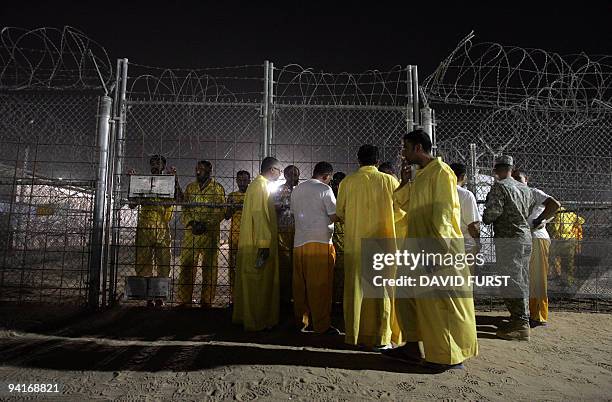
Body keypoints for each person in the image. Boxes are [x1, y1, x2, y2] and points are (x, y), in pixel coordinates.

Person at [386, 130, 478, 371]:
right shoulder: (422, 175)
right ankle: (412, 346)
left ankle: (449, 356)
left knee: (440, 303)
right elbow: (403, 204)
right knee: (407, 296)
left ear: (418, 148)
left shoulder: (442, 173)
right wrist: (405, 181)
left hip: (437, 249)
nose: (402, 153)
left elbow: (445, 216)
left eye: (405, 148)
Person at [336, 145, 401, 348]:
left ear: (358, 160)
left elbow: (340, 213)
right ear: (377, 161)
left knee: (356, 291)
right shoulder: (389, 181)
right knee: (380, 292)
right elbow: (400, 211)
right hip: (382, 244)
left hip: (355, 244)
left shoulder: (347, 182)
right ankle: (381, 338)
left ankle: (354, 335)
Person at [482, 155, 536, 340]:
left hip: (508, 239)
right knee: (522, 279)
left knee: (512, 280)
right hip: (524, 237)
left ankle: (521, 324)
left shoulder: (500, 187)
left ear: (497, 170)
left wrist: (487, 207)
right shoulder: (525, 188)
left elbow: (491, 215)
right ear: (512, 168)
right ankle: (520, 319)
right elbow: (527, 211)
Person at [233, 157, 283, 331]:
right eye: (279, 170)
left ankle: (249, 318)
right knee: (259, 285)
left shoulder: (256, 185)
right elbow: (260, 215)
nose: (280, 174)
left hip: (253, 242)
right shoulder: (261, 187)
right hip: (259, 245)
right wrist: (264, 245)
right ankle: (258, 322)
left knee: (252, 284)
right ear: (272, 170)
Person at [290, 161, 340, 335]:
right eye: (330, 178)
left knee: (300, 286)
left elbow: (295, 212)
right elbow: (334, 216)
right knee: (320, 287)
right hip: (320, 243)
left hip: (299, 244)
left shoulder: (297, 190)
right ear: (326, 176)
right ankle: (321, 325)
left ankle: (300, 322)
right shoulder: (324, 190)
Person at [127, 155, 182, 308]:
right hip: (144, 225)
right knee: (143, 260)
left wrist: (175, 179)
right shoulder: (143, 182)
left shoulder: (169, 182)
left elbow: (180, 199)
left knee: (163, 261)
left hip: (162, 225)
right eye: (153, 163)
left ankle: (160, 296)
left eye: (159, 163)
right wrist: (132, 182)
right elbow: (131, 204)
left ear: (164, 166)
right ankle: (147, 297)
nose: (155, 165)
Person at [512, 169, 560, 327]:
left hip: (536, 238)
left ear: (527, 179)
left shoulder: (534, 192)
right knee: (523, 278)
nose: (516, 182)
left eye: (519, 178)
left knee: (537, 278)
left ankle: (539, 315)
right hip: (521, 241)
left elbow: (554, 205)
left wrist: (540, 219)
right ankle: (527, 312)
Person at [178, 160, 226, 308]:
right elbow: (184, 208)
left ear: (209, 171)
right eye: (197, 169)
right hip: (191, 233)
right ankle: (184, 300)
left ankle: (206, 301)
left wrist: (206, 224)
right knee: (186, 266)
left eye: (202, 170)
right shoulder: (190, 188)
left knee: (209, 267)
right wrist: (191, 223)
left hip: (209, 234)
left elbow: (221, 210)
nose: (198, 172)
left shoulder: (217, 189)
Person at [274, 165, 300, 307]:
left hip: (299, 230)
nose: (294, 177)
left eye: (296, 174)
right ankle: (284, 297)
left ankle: (297, 296)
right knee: (284, 264)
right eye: (290, 174)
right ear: (285, 176)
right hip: (283, 230)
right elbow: (273, 207)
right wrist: (282, 205)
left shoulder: (301, 190)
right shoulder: (279, 189)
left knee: (297, 264)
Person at [224, 170, 251, 302]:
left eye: (245, 180)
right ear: (236, 181)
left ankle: (247, 295)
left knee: (248, 265)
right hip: (235, 235)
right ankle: (234, 296)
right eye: (240, 180)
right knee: (234, 266)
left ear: (249, 181)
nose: (242, 182)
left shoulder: (252, 195)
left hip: (249, 234)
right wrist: (232, 207)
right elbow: (227, 216)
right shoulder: (232, 195)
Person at [449, 163, 481, 255]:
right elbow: (473, 225)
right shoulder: (466, 195)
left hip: (446, 244)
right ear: (462, 176)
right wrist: (478, 243)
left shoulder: (440, 193)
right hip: (465, 246)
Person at [548, 207, 585, 287]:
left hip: (560, 240)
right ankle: (569, 281)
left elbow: (556, 228)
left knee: (556, 258)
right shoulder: (570, 214)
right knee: (569, 261)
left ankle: (560, 278)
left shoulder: (557, 215)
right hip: (571, 239)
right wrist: (574, 225)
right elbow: (582, 220)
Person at [330, 172, 346, 305]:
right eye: (335, 183)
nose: (337, 186)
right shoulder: (330, 196)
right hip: (331, 236)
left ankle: (340, 299)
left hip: (345, 236)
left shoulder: (349, 196)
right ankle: (334, 299)